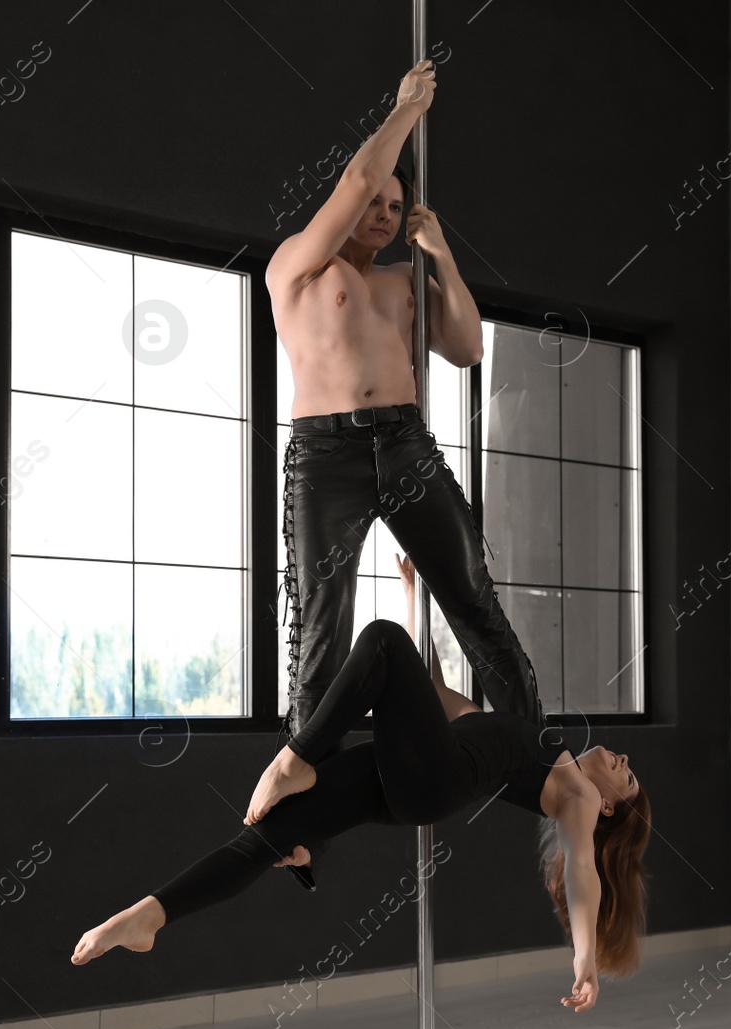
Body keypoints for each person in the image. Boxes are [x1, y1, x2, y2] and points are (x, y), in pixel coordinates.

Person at [71, 559, 652, 1013]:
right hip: (408, 774)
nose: (623, 759)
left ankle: (292, 759)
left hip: (437, 779)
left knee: (380, 640)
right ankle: (147, 917)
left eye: (626, 776)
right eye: (629, 765)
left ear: (604, 808)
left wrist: (584, 959)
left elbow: (583, 874)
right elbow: (431, 692)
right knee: (268, 835)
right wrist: (412, 597)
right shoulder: (537, 747)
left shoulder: (575, 793)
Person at [268, 58, 544, 758]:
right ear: (343, 208)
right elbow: (360, 177)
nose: (384, 215)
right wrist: (406, 110)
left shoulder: (402, 282)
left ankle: (539, 756)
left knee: (474, 598)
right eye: (375, 205)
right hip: (325, 456)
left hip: (404, 444)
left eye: (396, 208)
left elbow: (467, 347)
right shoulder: (297, 264)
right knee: (319, 630)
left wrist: (442, 255)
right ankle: (303, 814)